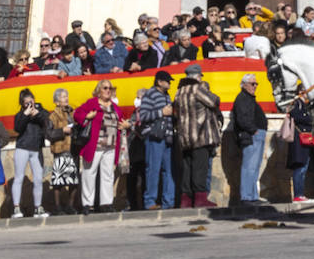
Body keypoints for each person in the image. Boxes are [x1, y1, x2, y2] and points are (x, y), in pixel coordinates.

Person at [75, 79, 130, 213]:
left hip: (110, 146)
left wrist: (126, 126)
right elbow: (77, 114)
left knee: (108, 175)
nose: (108, 91)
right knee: (89, 173)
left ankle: (106, 203)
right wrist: (88, 116)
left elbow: (122, 123)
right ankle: (88, 204)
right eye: (105, 88)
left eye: (110, 88)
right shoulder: (92, 103)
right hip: (95, 145)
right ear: (99, 91)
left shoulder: (115, 107)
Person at [174, 64, 222, 207]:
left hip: (184, 136)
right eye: (200, 76)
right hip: (200, 135)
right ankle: (200, 198)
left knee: (187, 168)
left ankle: (186, 199)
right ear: (196, 76)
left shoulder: (179, 92)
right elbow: (214, 101)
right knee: (200, 168)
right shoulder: (197, 89)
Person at [137, 71, 177, 209]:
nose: (170, 83)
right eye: (167, 81)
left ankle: (168, 201)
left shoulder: (167, 96)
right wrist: (161, 112)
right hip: (154, 137)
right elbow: (143, 116)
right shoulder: (150, 94)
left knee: (169, 170)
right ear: (159, 82)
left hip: (167, 137)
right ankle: (150, 201)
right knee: (153, 169)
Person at [11, 89, 51, 218]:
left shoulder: (41, 111)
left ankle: (38, 207)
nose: (30, 104)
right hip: (22, 147)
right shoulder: (20, 114)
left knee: (38, 178)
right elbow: (18, 127)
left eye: (31, 101)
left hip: (36, 148)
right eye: (26, 102)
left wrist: (37, 114)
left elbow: (47, 121)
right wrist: (26, 114)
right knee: (19, 178)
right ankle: (16, 207)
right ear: (22, 103)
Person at [232, 73, 268, 204]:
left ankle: (252, 196)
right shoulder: (242, 98)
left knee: (254, 167)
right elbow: (242, 119)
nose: (255, 86)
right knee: (249, 167)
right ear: (244, 85)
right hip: (251, 136)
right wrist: (254, 130)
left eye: (256, 84)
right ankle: (247, 197)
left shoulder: (248, 98)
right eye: (253, 84)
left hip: (256, 135)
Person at [46, 88, 80, 214]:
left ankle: (70, 205)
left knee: (74, 180)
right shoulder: (53, 116)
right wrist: (62, 131)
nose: (66, 98)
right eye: (62, 97)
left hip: (73, 149)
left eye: (67, 96)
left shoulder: (72, 113)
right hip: (60, 149)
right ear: (56, 101)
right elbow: (48, 134)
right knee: (59, 180)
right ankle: (57, 206)